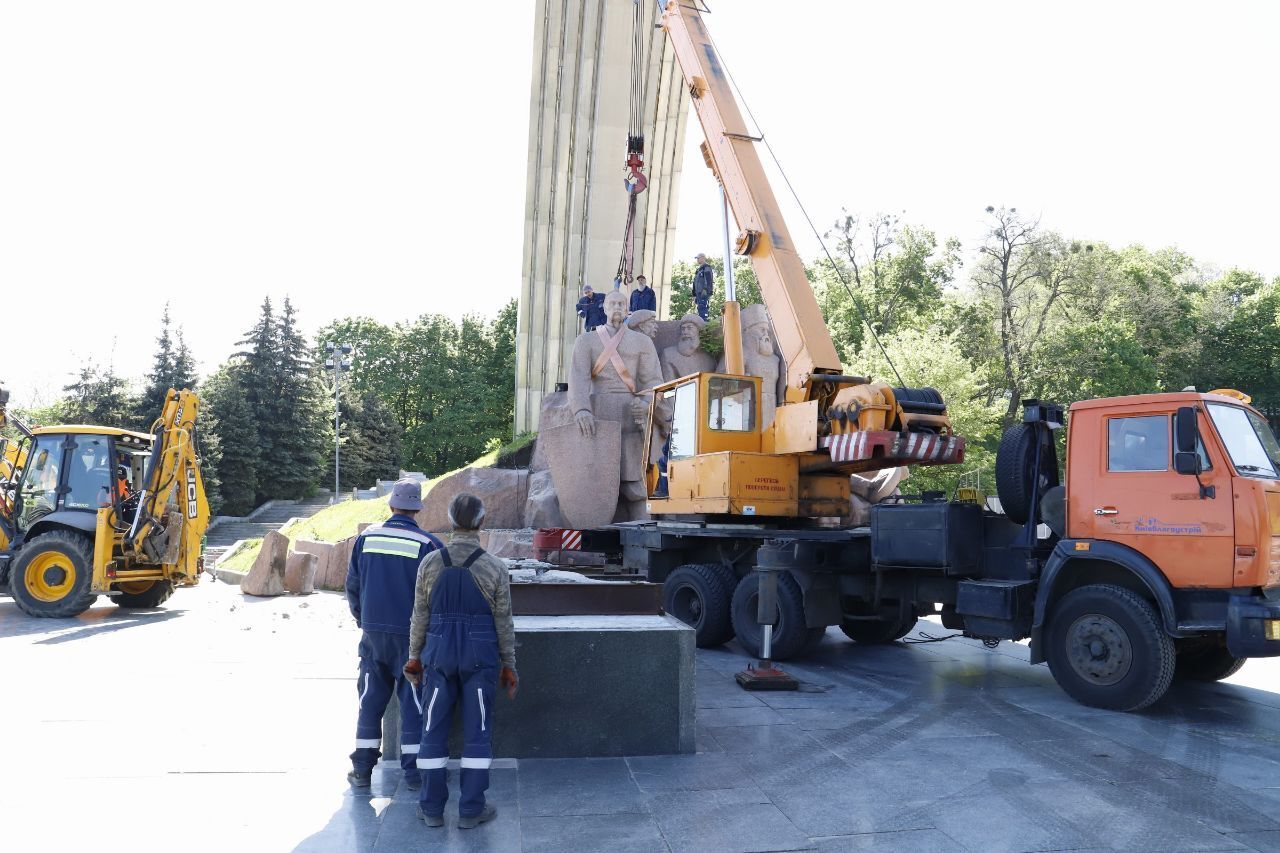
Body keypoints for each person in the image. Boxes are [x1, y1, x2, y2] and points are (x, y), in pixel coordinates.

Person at [404, 493, 517, 830]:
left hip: (437, 655)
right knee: (478, 732)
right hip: (480, 658)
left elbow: (419, 616)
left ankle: (431, 809)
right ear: (481, 523)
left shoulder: (430, 563)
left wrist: (413, 658)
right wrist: (509, 664)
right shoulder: (494, 566)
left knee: (432, 731)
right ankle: (471, 809)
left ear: (450, 522)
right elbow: (504, 622)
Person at [345, 479, 443, 792]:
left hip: (373, 635)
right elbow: (437, 597)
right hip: (412, 639)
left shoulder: (366, 538)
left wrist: (365, 621)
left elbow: (353, 585)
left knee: (370, 701)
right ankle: (414, 775)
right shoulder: (429, 545)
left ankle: (362, 770)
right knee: (413, 704)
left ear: (391, 505)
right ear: (418, 509)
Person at [692, 253, 714, 320]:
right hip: (698, 293)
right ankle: (701, 321)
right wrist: (694, 295)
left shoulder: (706, 267)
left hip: (703, 292)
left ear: (703, 258)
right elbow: (695, 283)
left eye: (698, 258)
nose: (697, 260)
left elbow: (709, 279)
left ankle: (704, 323)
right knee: (699, 308)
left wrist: (705, 289)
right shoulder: (698, 270)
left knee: (703, 307)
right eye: (697, 258)